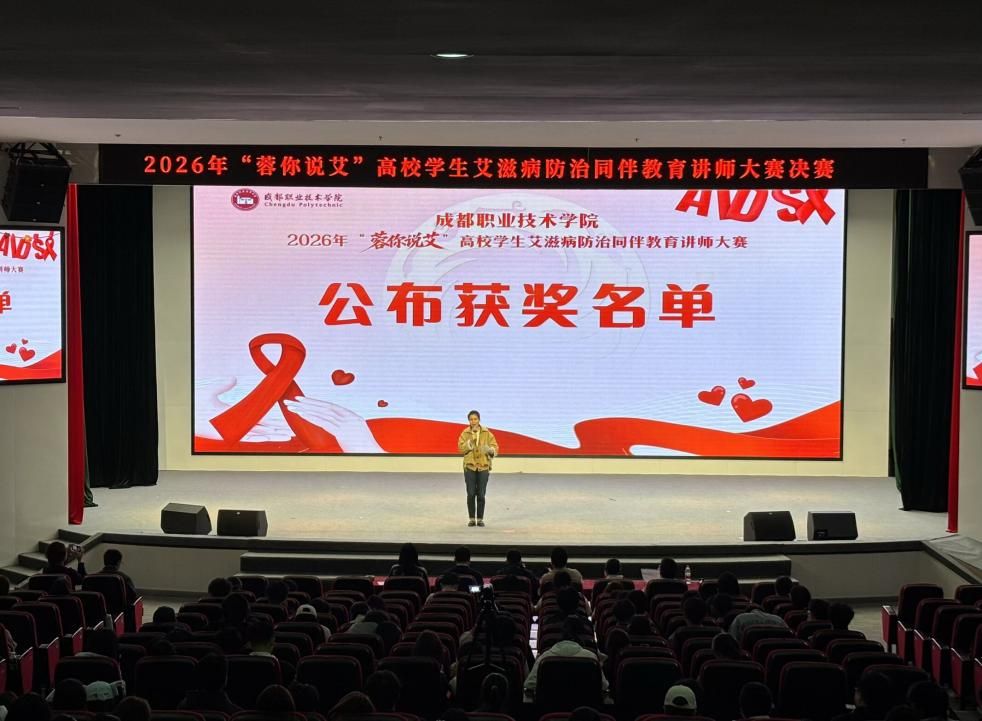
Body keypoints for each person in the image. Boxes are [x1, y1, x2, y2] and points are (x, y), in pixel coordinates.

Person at [524, 619, 608, 696]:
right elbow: (604, 686)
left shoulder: (545, 657)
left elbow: (529, 684)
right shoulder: (591, 658)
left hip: (549, 706)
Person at [457, 410, 499, 527]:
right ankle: (471, 519)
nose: (473, 421)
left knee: (481, 494)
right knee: (471, 493)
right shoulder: (465, 433)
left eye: (475, 419)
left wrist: (490, 450)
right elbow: (460, 448)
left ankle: (480, 519)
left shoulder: (487, 433)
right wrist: (469, 444)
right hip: (470, 466)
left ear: (479, 420)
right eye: (471, 419)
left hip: (483, 466)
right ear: (468, 421)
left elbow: (495, 447)